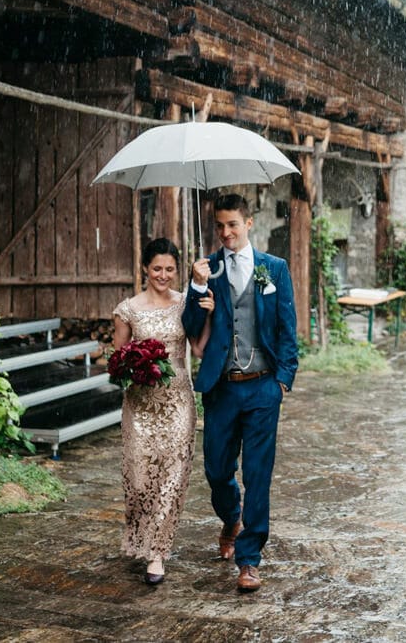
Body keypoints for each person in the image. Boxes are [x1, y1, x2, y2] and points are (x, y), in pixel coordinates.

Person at [182, 193, 298, 593]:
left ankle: (250, 559)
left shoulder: (274, 269)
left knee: (258, 475)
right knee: (216, 470)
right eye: (219, 226)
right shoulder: (206, 269)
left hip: (264, 387)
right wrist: (198, 290)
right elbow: (189, 325)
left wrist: (284, 379)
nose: (225, 232)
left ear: (249, 223)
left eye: (232, 224)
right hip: (222, 388)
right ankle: (231, 517)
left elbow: (287, 326)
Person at [112, 237, 213, 586]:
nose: (163, 275)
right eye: (157, 268)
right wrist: (136, 367)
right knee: (140, 480)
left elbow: (198, 349)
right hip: (140, 405)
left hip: (178, 404)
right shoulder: (129, 309)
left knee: (171, 478)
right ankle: (140, 537)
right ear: (145, 268)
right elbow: (117, 360)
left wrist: (209, 316)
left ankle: (157, 552)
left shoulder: (187, 304)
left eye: (170, 269)